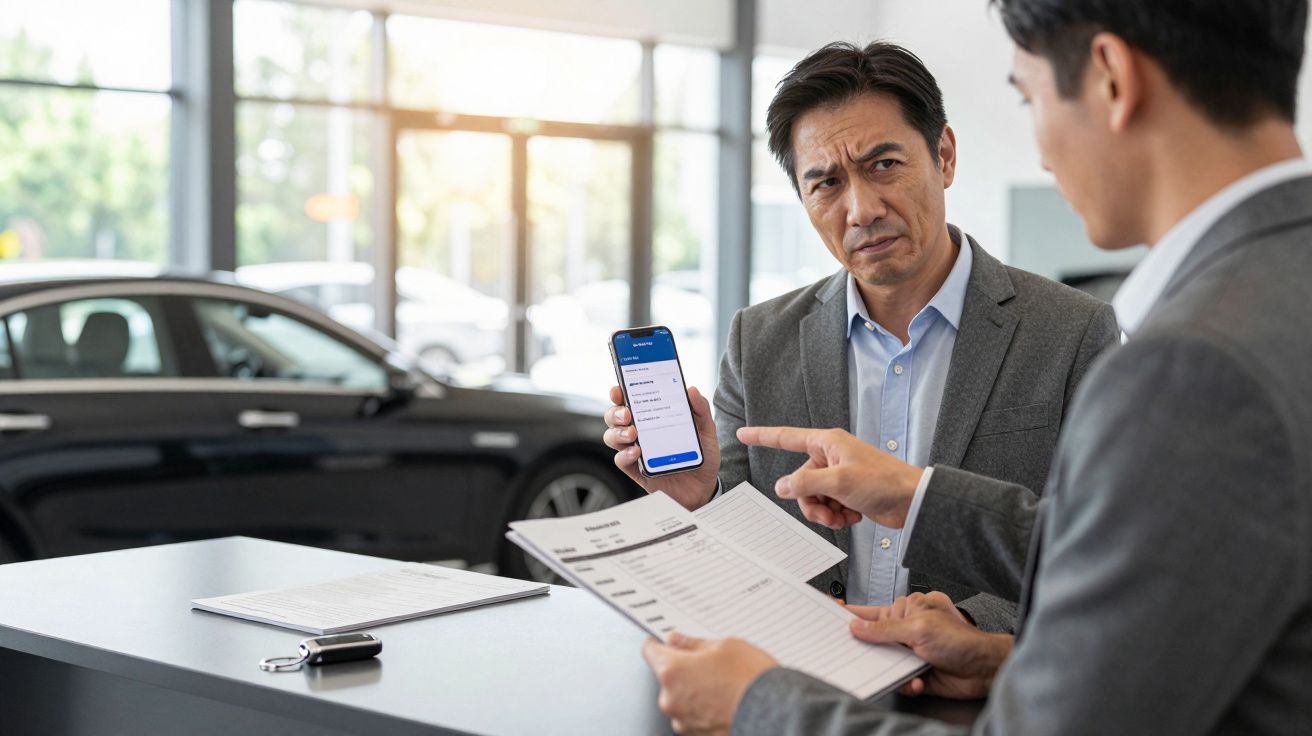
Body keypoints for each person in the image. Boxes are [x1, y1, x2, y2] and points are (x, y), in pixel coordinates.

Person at [641, 0, 1312, 734]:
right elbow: (1155, 572)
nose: (1044, 152)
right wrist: (915, 501)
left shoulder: (1188, 363)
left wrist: (756, 706)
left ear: (1112, 79)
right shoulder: (1279, 295)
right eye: (825, 182)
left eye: (1028, 98)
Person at [603, 42, 1117, 633]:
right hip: (802, 682)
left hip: (979, 695)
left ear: (943, 156)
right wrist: (702, 496)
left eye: (884, 165)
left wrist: (976, 632)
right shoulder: (760, 340)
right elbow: (734, 564)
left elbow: (1103, 548)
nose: (861, 209)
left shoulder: (1073, 331)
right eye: (825, 183)